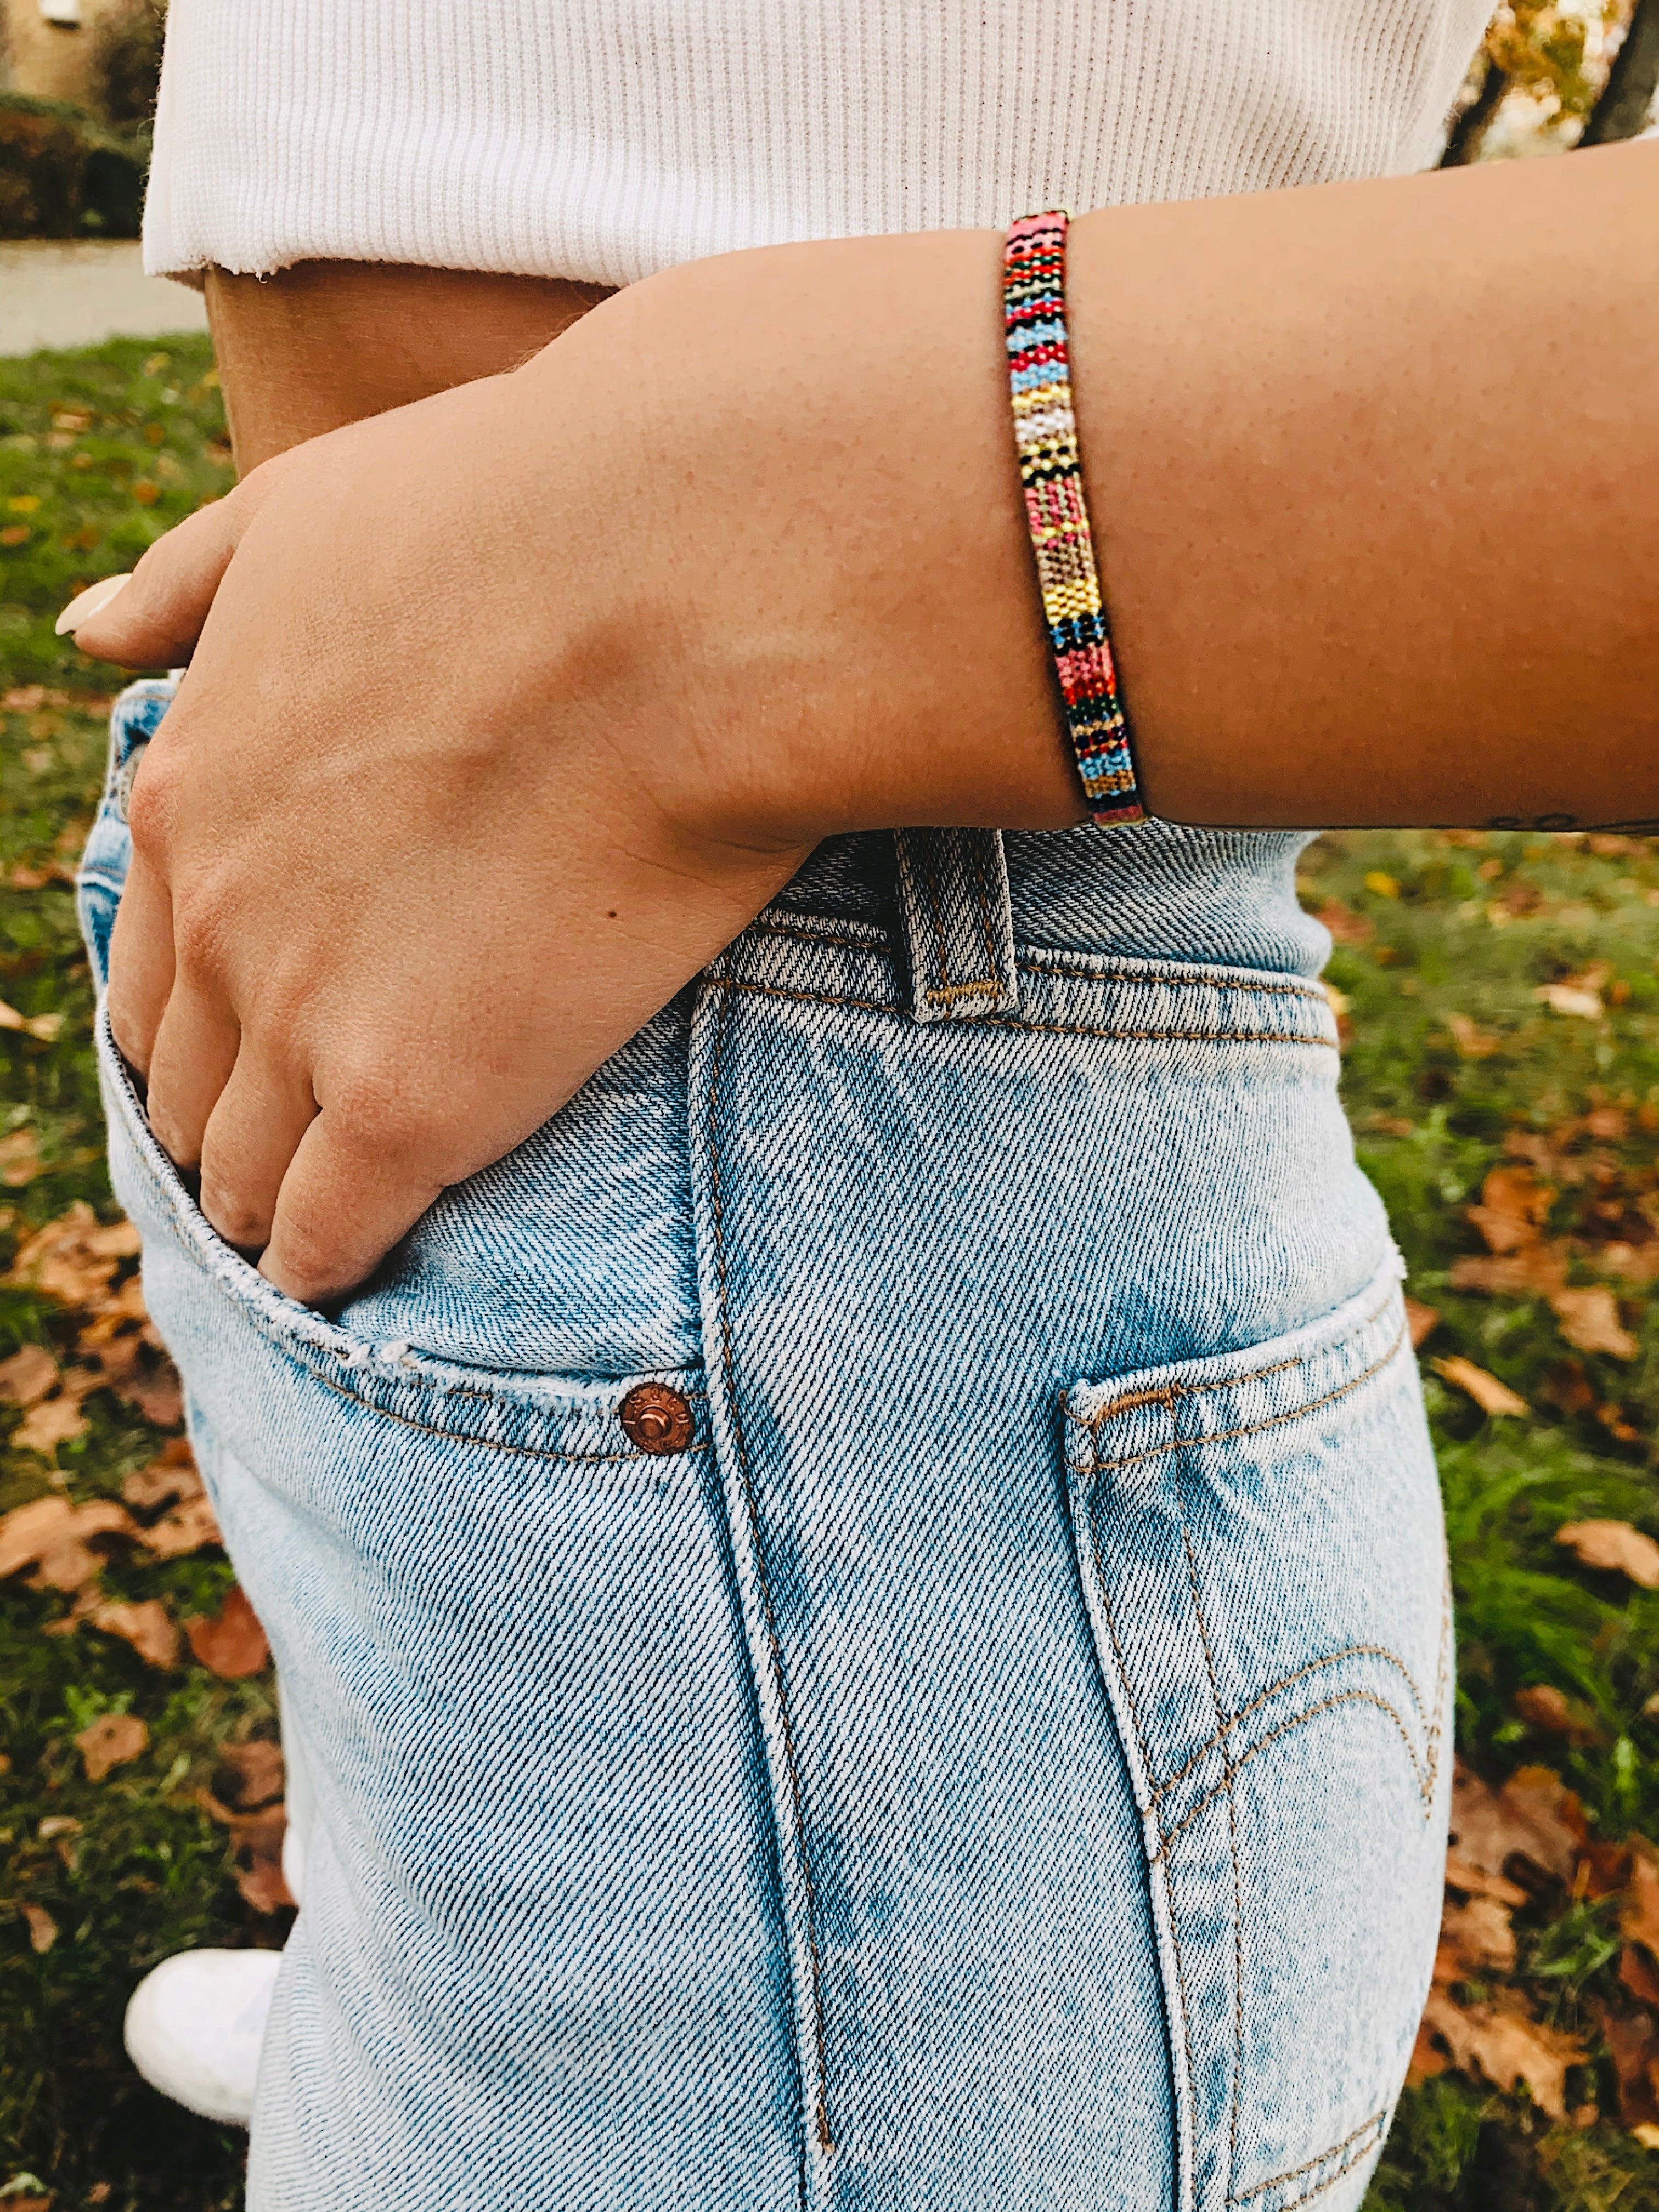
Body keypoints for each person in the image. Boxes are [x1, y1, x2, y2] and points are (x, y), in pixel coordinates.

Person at [57, 0, 1659, 2204]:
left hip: (846, 1044)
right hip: (438, 880)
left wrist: (731, 556)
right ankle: (452, 1960)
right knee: (449, 1841)